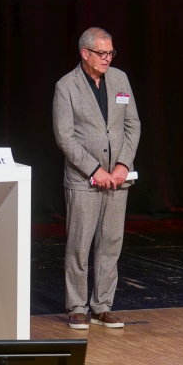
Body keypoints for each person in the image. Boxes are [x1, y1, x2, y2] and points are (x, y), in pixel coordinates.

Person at [53, 27, 141, 329]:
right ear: (85, 53)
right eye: (101, 53)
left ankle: (102, 306)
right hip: (84, 179)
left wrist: (122, 164)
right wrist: (94, 169)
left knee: (111, 242)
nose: (107, 58)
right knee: (80, 244)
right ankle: (77, 306)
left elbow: (133, 124)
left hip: (118, 178)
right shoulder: (67, 86)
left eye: (110, 53)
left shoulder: (120, 79)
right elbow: (64, 137)